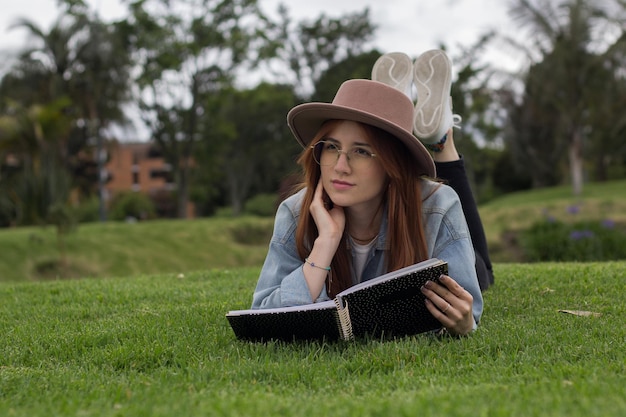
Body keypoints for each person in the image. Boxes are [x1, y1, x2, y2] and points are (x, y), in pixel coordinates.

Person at [251, 52, 484, 337]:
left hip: (440, 237)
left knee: (484, 270)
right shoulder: (295, 211)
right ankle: (394, 107)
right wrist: (325, 244)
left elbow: (467, 313)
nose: (340, 167)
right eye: (332, 147)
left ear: (391, 165)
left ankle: (440, 136)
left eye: (361, 151)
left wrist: (463, 324)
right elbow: (263, 317)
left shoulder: (438, 206)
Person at [372, 49, 494, 291]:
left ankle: (392, 128)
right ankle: (441, 138)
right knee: (480, 267)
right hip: (444, 266)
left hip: (392, 250)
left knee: (369, 173)